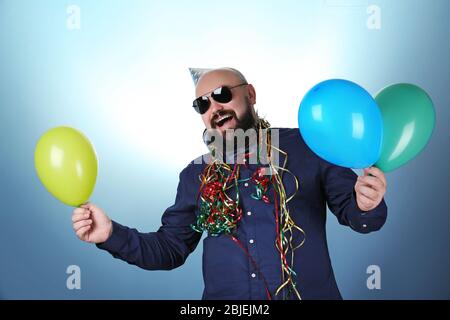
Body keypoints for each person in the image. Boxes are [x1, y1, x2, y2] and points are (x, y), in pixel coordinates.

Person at [71, 67, 388, 300]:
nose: (214, 109)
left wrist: (366, 205)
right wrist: (110, 234)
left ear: (249, 94)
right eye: (203, 105)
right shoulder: (195, 175)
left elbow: (360, 218)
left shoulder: (308, 146)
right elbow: (169, 250)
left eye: (222, 95)